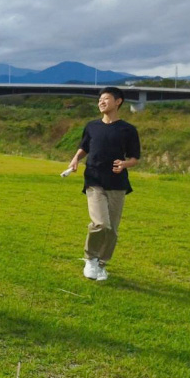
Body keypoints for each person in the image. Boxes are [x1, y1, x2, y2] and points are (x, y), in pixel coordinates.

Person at [68, 86, 141, 281]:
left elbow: (135, 158)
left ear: (118, 102)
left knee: (112, 230)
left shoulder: (128, 130)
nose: (101, 102)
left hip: (118, 184)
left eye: (106, 98)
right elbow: (84, 147)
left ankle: (101, 264)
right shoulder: (92, 126)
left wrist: (125, 164)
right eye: (100, 99)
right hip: (94, 180)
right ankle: (90, 258)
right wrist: (75, 159)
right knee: (100, 223)